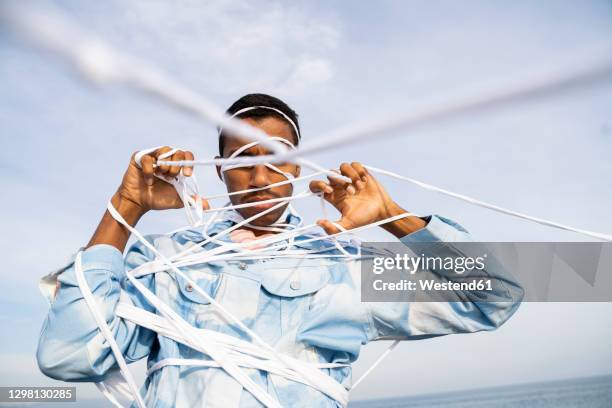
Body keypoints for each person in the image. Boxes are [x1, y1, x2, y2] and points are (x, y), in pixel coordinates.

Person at [37, 93, 523, 407]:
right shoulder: (162, 262)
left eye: (279, 158)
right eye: (243, 160)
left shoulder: (341, 267)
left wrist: (395, 218)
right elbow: (69, 358)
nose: (261, 176)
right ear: (220, 170)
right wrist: (125, 209)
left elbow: (495, 296)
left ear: (297, 170)